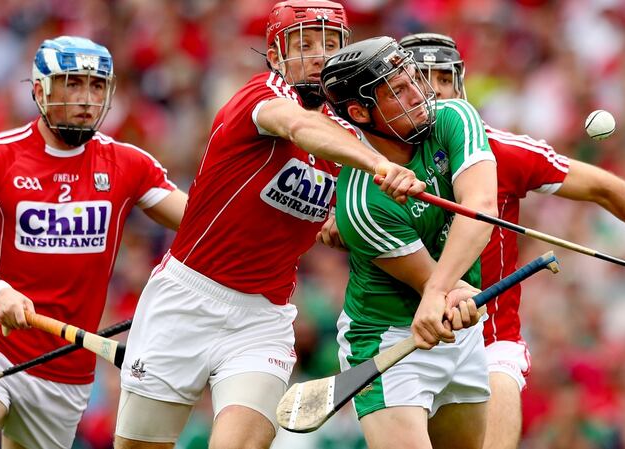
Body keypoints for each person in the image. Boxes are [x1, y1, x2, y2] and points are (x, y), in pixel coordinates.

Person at [113, 3, 426, 449]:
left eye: (331, 44)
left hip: (262, 318)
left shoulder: (351, 131)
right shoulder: (262, 95)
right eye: (305, 44)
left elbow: (351, 218)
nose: (320, 55)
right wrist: (379, 164)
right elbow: (298, 126)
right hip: (186, 297)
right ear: (277, 55)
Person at [397, 32, 625, 449]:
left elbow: (605, 188)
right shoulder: (373, 162)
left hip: (489, 341)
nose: (437, 92)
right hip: (409, 340)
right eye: (423, 81)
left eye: (445, 79)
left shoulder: (497, 149)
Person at [0, 36, 187, 449]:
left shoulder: (129, 164)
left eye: (96, 86)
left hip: (65, 368)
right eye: (72, 83)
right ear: (39, 90)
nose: (86, 98)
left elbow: (209, 225)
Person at [321, 35, 498, 449]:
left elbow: (482, 205)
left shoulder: (454, 116)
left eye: (412, 79)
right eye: (397, 91)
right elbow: (430, 282)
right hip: (389, 341)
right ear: (360, 112)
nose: (419, 94)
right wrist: (443, 293)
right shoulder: (360, 203)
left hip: (455, 325)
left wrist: (442, 295)